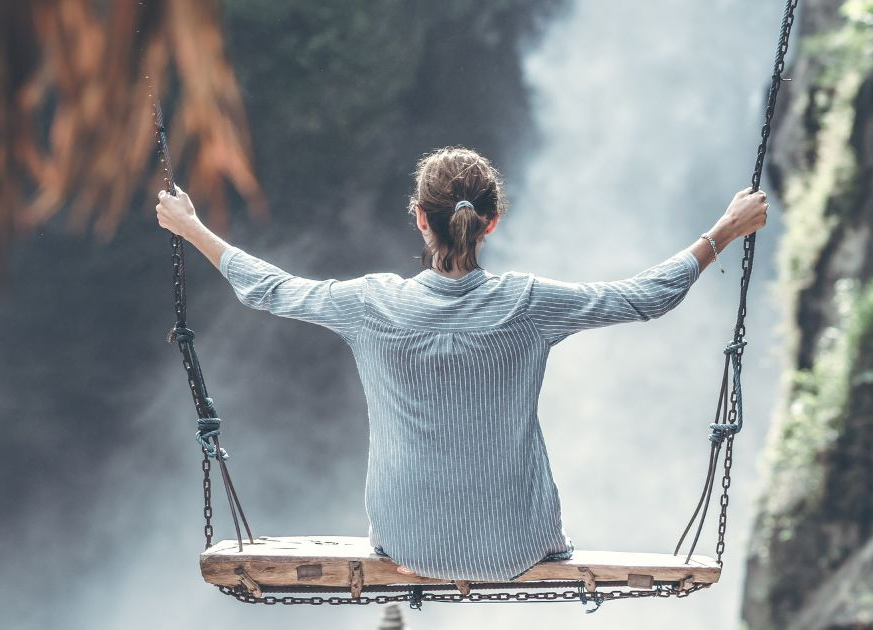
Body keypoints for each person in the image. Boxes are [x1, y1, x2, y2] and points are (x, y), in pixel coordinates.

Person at [154, 146, 768, 582]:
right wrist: (722, 231)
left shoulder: (372, 304)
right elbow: (643, 298)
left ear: (420, 218)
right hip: (519, 548)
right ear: (491, 223)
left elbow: (272, 289)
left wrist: (193, 227)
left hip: (407, 543)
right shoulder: (530, 304)